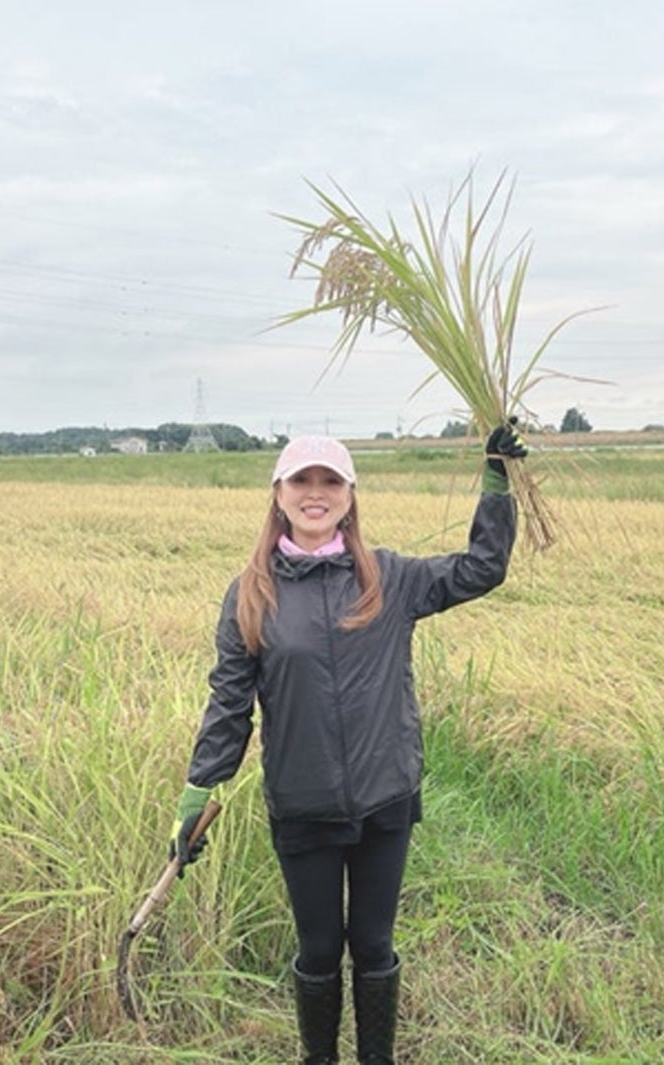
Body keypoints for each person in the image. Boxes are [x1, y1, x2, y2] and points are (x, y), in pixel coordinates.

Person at [169, 424, 527, 1064]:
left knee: (373, 944)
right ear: (278, 493)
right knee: (318, 951)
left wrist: (497, 480)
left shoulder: (388, 577)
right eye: (301, 481)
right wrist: (200, 789)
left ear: (349, 495)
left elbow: (481, 569)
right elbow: (230, 703)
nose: (315, 493)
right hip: (302, 804)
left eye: (329, 481)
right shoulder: (252, 594)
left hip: (384, 798)